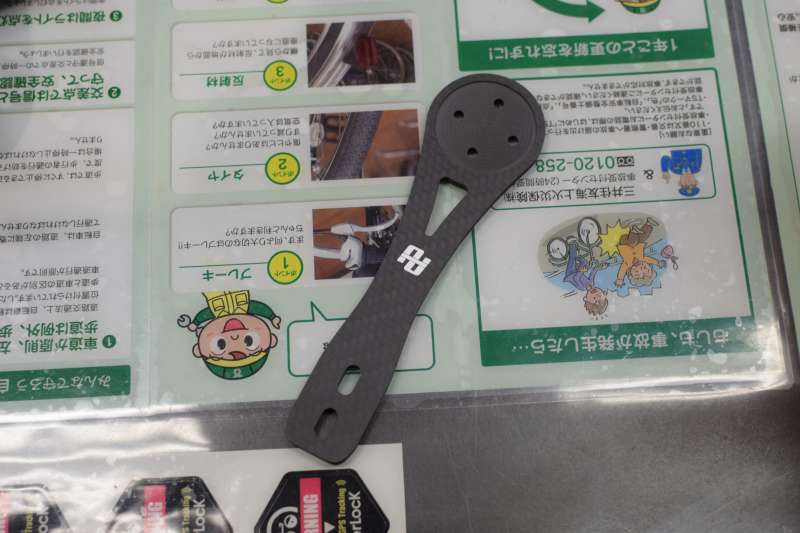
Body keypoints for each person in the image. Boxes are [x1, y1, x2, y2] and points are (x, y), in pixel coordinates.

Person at [614, 221, 667, 288]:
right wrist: (658, 263)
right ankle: (648, 224)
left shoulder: (627, 264)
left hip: (624, 242)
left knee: (633, 241)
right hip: (638, 241)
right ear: (648, 265)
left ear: (630, 273)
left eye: (636, 272)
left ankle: (633, 230)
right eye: (644, 267)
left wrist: (620, 279)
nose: (640, 268)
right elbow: (650, 260)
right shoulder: (642, 258)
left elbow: (622, 271)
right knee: (644, 237)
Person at [563, 240, 609, 316]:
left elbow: (576, 278)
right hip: (578, 271)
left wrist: (581, 271)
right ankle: (577, 255)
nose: (596, 294)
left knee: (572, 259)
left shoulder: (582, 287)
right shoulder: (591, 283)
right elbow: (592, 274)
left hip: (570, 274)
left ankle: (572, 246)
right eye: (599, 295)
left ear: (585, 298)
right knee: (585, 262)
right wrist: (598, 267)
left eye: (594, 298)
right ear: (603, 292)